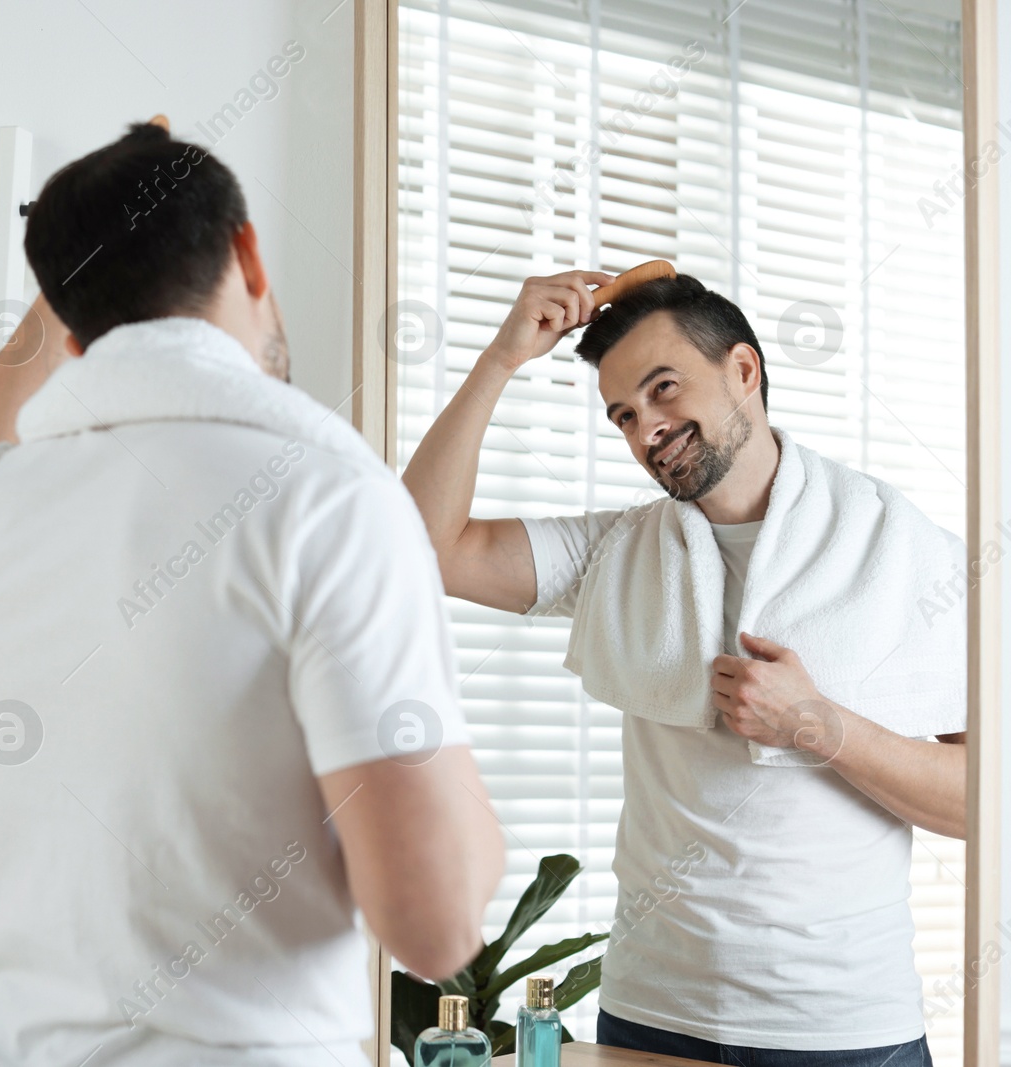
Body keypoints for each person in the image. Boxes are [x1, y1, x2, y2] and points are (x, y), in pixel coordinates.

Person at [0, 120, 504, 1066]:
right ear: (249, 254)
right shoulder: (328, 498)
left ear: (65, 323)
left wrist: (68, 288)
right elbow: (434, 926)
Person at [402, 270, 966, 1066]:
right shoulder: (618, 550)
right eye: (624, 415)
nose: (648, 430)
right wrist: (500, 360)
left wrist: (819, 725)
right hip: (652, 1011)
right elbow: (423, 547)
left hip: (841, 1027)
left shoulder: (906, 552)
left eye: (664, 390)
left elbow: (984, 799)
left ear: (744, 370)